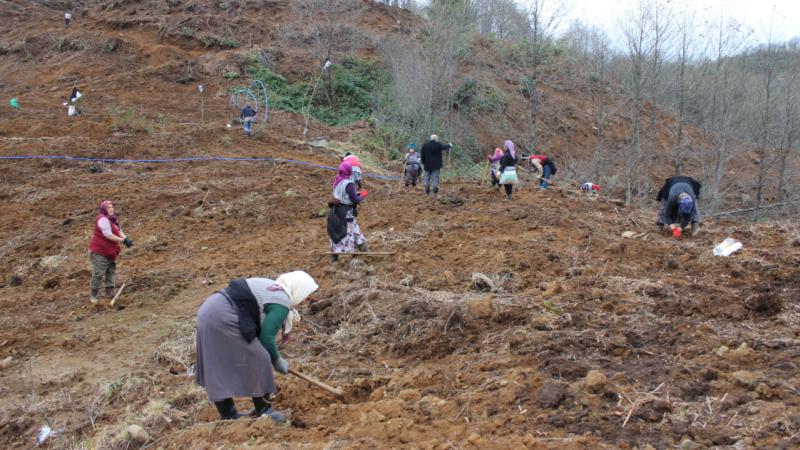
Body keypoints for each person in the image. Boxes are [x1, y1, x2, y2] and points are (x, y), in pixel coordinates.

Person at [195, 271, 319, 422]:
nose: (304, 300)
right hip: (222, 316)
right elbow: (266, 339)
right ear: (299, 290)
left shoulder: (273, 287)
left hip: (208, 311)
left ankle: (229, 415)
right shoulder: (281, 301)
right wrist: (276, 360)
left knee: (217, 363)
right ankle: (265, 411)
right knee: (260, 358)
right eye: (306, 295)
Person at [87, 200, 132, 305]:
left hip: (110, 251)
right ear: (104, 209)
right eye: (108, 207)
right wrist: (122, 240)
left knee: (110, 270)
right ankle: (93, 295)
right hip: (99, 251)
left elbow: (118, 231)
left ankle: (109, 291)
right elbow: (108, 235)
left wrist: (126, 239)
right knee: (98, 273)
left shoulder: (113, 219)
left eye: (112, 207)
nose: (111, 209)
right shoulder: (102, 219)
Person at [328, 162, 368, 263]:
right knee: (352, 232)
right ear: (349, 171)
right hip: (346, 212)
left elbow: (342, 196)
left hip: (335, 212)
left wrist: (355, 194)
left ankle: (334, 258)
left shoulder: (337, 181)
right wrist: (363, 194)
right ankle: (362, 254)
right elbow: (355, 200)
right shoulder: (349, 184)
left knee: (338, 232)